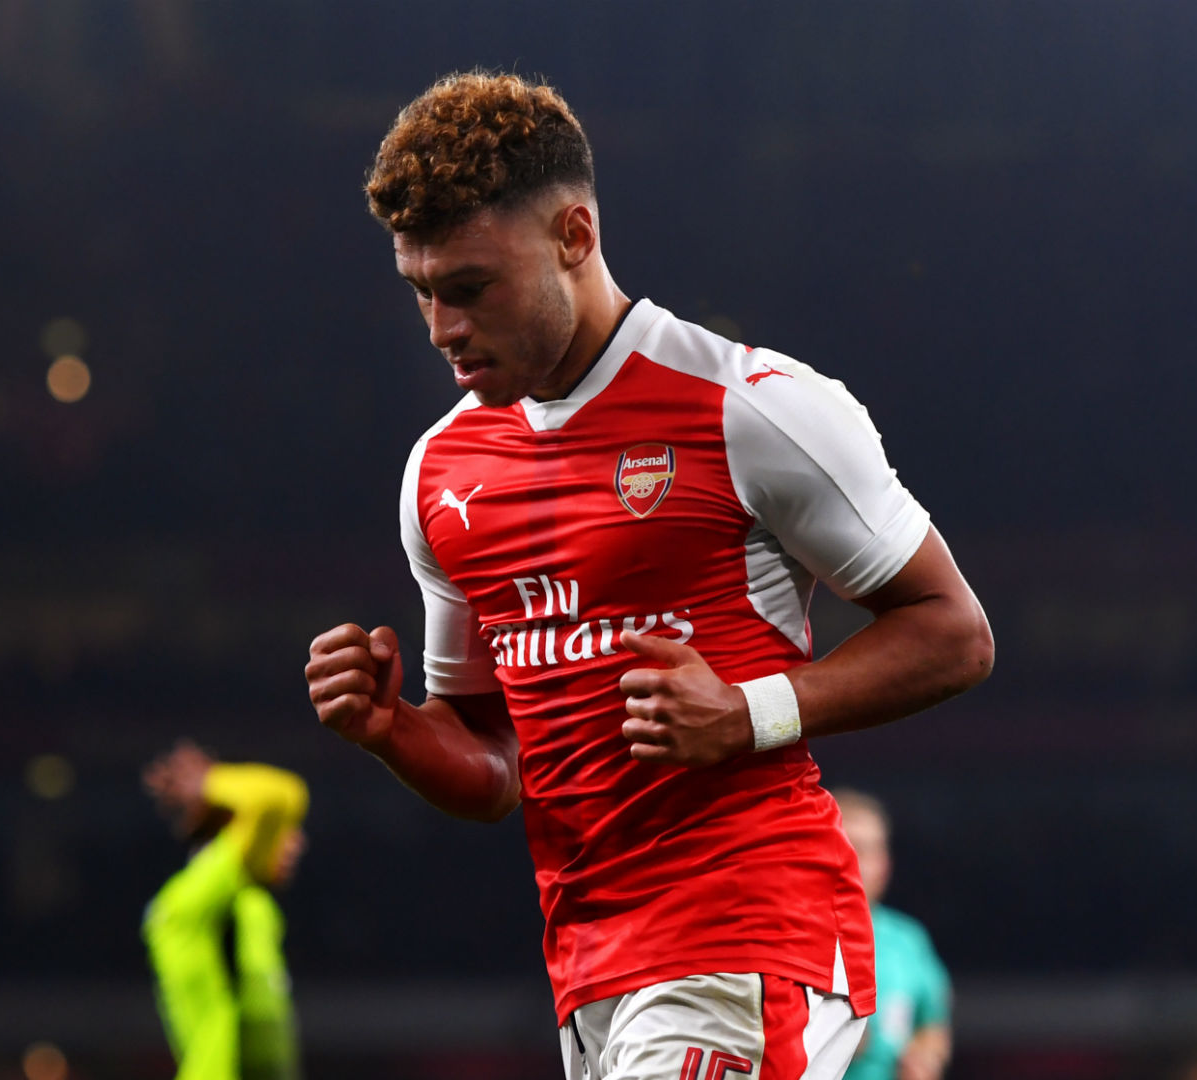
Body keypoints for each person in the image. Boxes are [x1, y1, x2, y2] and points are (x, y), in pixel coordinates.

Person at [303, 71, 993, 1080]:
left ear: (574, 235)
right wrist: (393, 730)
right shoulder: (441, 473)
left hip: (747, 931)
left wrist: (748, 712)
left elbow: (954, 632)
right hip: (589, 965)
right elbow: (497, 766)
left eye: (470, 288)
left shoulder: (750, 405)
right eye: (421, 291)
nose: (443, 327)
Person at [141, 741, 308, 1080]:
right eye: (275, 831)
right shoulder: (186, 905)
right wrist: (211, 783)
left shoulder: (255, 906)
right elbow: (280, 796)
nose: (296, 843)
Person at [834, 791, 953, 1080]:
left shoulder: (908, 940)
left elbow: (933, 1026)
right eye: (848, 847)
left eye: (868, 851)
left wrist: (924, 1058)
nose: (858, 863)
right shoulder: (792, 935)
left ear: (885, 864)